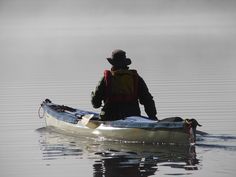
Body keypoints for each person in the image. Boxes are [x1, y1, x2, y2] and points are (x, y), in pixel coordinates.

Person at [91, 49, 158, 121]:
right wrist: (153, 117)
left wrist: (93, 95)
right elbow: (147, 100)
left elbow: (96, 104)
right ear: (126, 64)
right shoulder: (136, 78)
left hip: (110, 117)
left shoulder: (105, 79)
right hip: (133, 117)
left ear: (112, 64)